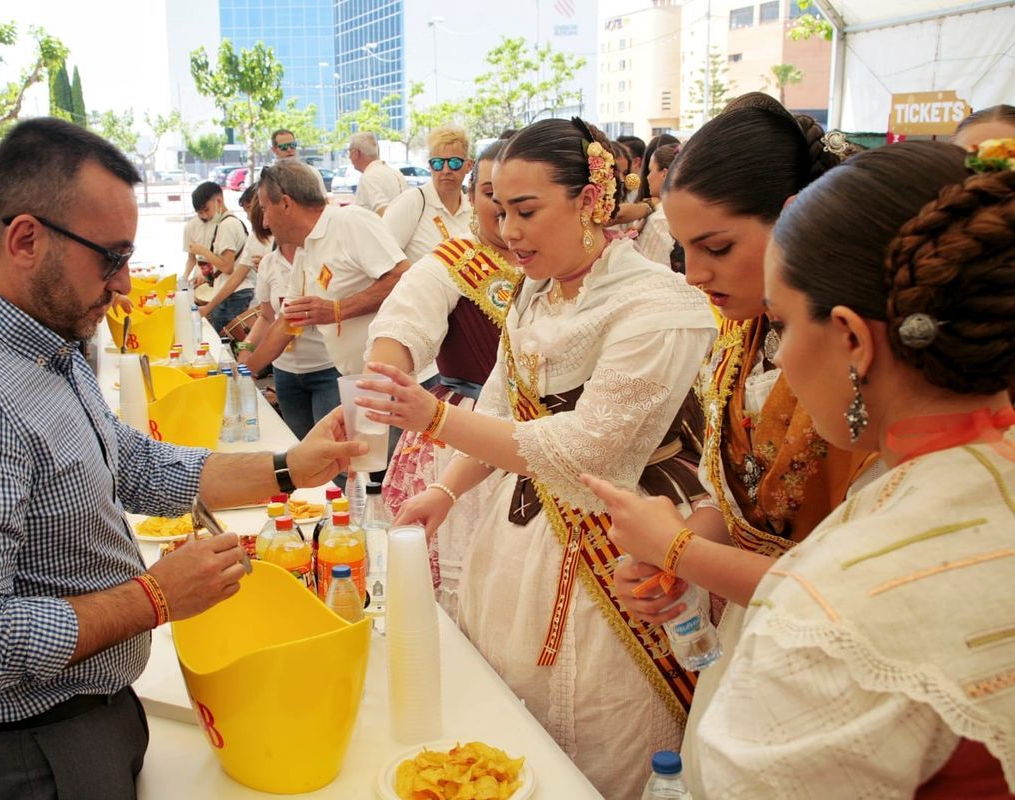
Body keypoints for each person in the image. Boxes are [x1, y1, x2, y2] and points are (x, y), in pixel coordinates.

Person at [0, 117, 361, 800]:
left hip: (81, 716)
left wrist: (290, 469)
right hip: (33, 747)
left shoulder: (34, 344)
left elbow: (134, 464)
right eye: (109, 258)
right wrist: (156, 595)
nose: (123, 285)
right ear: (26, 239)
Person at [588, 139, 1015, 797]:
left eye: (784, 324)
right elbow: (740, 501)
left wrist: (676, 547)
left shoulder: (833, 613)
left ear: (852, 339)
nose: (781, 357)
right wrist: (685, 547)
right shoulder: (973, 466)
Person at [358, 118, 716, 798]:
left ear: (589, 201)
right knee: (512, 718)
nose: (511, 231)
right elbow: (502, 407)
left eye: (526, 211)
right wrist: (449, 491)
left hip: (623, 549)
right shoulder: (536, 292)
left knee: (604, 734)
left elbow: (591, 449)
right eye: (498, 211)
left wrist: (436, 418)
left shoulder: (658, 304)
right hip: (518, 541)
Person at [578, 93, 876, 795]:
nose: (692, 273)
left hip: (841, 646)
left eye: (717, 248)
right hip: (755, 625)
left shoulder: (859, 357)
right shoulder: (742, 334)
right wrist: (680, 551)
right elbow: (732, 488)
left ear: (802, 217)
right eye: (683, 249)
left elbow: (844, 591)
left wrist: (680, 550)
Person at [364, 138, 520, 615]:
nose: (505, 211)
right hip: (463, 436)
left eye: (520, 200)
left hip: (548, 433)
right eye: (492, 193)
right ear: (474, 196)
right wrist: (384, 376)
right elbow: (403, 322)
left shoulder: (563, 264)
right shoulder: (453, 260)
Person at [250, 159, 409, 378]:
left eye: (264, 209)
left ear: (286, 204)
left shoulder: (349, 222)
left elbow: (402, 276)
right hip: (358, 376)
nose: (265, 222)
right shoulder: (304, 252)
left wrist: (337, 310)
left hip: (393, 377)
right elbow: (287, 321)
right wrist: (242, 372)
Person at [239, 189, 341, 440]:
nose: (266, 225)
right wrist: (244, 354)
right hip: (285, 374)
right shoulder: (268, 264)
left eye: (268, 218)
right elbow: (265, 317)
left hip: (327, 369)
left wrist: (250, 365)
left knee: (331, 452)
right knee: (298, 447)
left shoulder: (320, 255)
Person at [383, 125, 473, 264]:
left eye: (454, 163)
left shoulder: (473, 208)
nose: (446, 170)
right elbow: (384, 258)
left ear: (469, 165)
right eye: (437, 163)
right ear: (429, 167)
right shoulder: (412, 201)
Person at [182, 181, 252, 334]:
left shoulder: (226, 225)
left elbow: (227, 267)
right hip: (233, 293)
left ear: (219, 201)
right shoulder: (230, 222)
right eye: (201, 213)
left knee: (225, 345)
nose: (205, 216)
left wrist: (203, 251)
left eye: (206, 210)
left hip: (234, 296)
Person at [634, 144, 679, 268]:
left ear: (664, 174)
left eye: (650, 170)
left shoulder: (659, 219)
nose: (647, 177)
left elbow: (652, 271)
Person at [349, 131, 407, 215]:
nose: (349, 157)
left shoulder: (369, 178)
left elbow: (383, 212)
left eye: (349, 152)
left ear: (356, 153)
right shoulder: (397, 174)